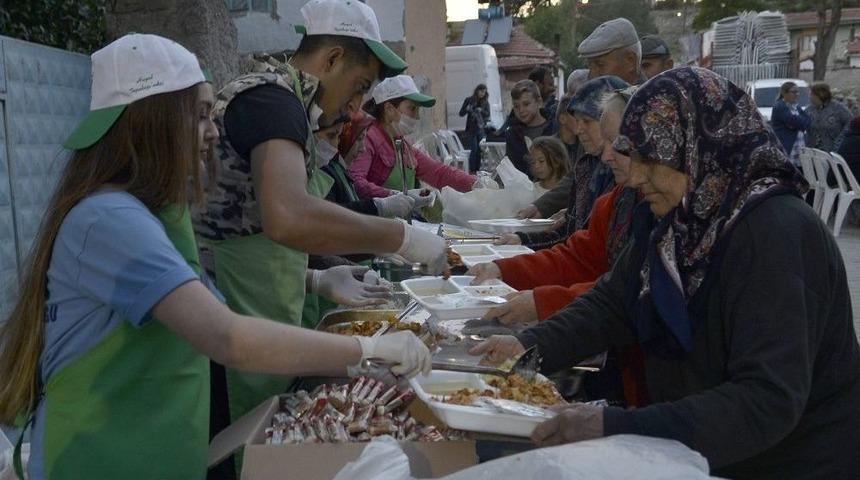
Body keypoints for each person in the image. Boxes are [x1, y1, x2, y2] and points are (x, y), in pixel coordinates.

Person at [0, 34, 431, 480]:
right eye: (203, 114)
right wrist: (367, 349)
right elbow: (226, 337)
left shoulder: (160, 214)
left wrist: (317, 281)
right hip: (98, 462)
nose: (214, 130)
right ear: (154, 120)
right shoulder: (109, 220)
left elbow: (189, 292)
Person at [472, 67, 860, 479]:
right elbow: (615, 303)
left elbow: (766, 399)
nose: (636, 177)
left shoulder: (775, 232)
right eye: (633, 156)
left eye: (652, 160)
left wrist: (614, 426)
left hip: (793, 461)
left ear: (701, 146)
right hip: (705, 453)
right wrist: (527, 345)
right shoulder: (678, 216)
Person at [194, 0, 447, 450]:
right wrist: (401, 236)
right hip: (223, 326)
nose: (355, 107)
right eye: (359, 86)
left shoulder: (288, 104)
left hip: (258, 306)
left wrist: (313, 278)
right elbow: (288, 217)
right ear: (331, 59)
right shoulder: (272, 100)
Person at [468, 88, 648, 407]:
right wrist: (506, 270)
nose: (606, 155)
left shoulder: (665, 209)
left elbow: (621, 300)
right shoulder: (619, 199)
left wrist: (540, 305)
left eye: (617, 144)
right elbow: (580, 260)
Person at [500, 76, 628, 250]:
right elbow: (572, 235)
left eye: (587, 121)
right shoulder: (587, 166)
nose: (578, 129)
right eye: (577, 121)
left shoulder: (625, 177)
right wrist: (522, 240)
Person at [348, 74, 476, 200]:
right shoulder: (367, 139)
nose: (417, 116)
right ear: (389, 109)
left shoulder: (403, 147)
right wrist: (395, 196)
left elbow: (439, 173)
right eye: (412, 108)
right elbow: (355, 182)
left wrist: (476, 183)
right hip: (374, 219)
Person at [316, 119, 415, 218]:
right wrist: (380, 206)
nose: (363, 148)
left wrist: (405, 197)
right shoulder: (327, 174)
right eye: (359, 139)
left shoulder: (340, 171)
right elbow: (332, 217)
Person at [504, 79, 555, 178]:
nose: (521, 110)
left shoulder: (554, 129)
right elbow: (511, 169)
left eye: (526, 104)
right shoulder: (512, 134)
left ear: (539, 102)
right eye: (516, 106)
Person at [577, 18, 643, 85]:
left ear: (630, 61)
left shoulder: (650, 94)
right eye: (589, 67)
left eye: (600, 65)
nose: (592, 76)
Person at [771, 80, 810, 164]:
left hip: (799, 147)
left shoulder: (796, 106)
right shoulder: (780, 106)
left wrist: (799, 123)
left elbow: (807, 121)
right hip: (788, 147)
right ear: (784, 93)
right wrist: (799, 122)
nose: (797, 95)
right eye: (794, 92)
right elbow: (794, 121)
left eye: (797, 92)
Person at [807, 82, 853, 152]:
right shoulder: (809, 109)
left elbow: (850, 123)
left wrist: (840, 140)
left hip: (832, 151)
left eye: (811, 94)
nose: (809, 97)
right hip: (813, 151)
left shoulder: (838, 109)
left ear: (820, 95)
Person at [459, 83, 491, 173]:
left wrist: (482, 110)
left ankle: (478, 169)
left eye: (484, 92)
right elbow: (461, 113)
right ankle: (472, 170)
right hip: (471, 129)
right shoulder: (469, 100)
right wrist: (467, 109)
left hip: (481, 129)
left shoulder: (485, 102)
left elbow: (488, 114)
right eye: (481, 91)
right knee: (474, 149)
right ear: (477, 91)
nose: (482, 94)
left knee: (480, 150)